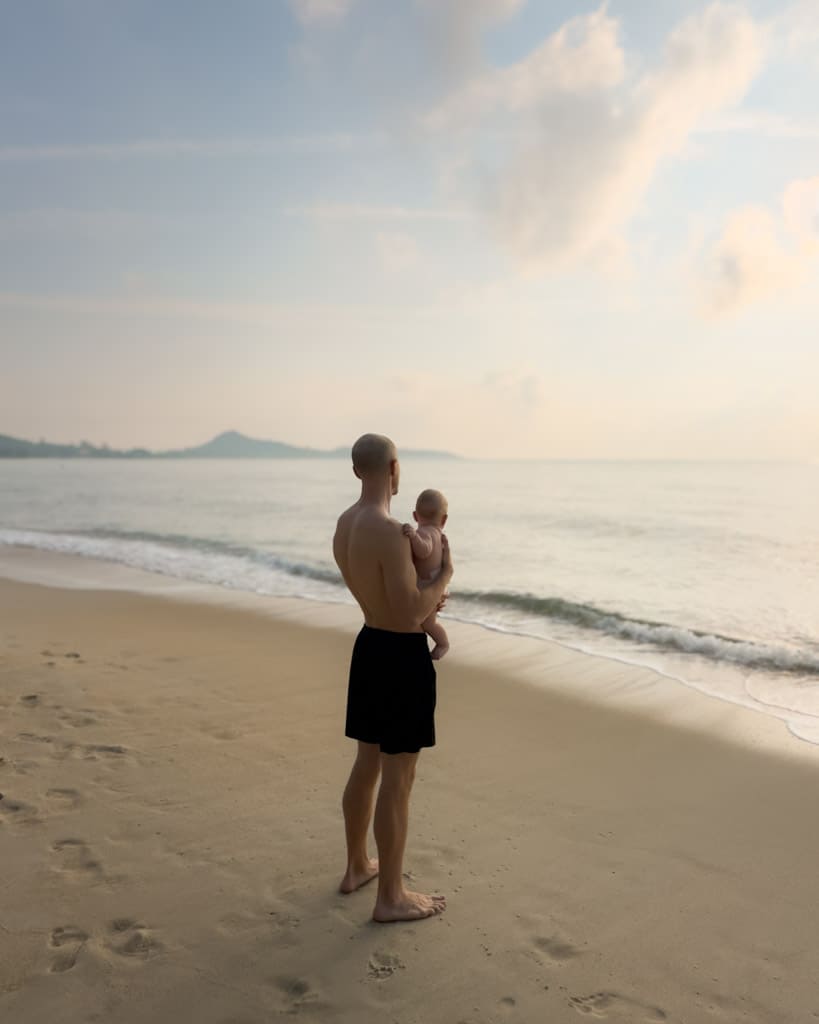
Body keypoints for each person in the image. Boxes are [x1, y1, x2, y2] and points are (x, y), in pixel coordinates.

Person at [332, 433, 453, 922]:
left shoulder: (345, 525)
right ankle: (390, 897)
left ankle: (358, 865)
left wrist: (419, 598)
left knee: (367, 764)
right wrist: (443, 578)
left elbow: (382, 597)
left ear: (357, 470)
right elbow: (408, 610)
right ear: (395, 469)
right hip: (401, 656)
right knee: (399, 778)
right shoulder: (387, 529)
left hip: (368, 646)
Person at [402, 489, 450, 660]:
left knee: (428, 623)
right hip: (435, 584)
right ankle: (441, 643)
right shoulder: (439, 535)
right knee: (428, 621)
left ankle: (443, 643)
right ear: (444, 519)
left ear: (415, 516)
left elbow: (424, 551)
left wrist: (414, 536)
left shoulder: (425, 532)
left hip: (428, 586)